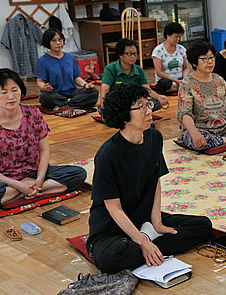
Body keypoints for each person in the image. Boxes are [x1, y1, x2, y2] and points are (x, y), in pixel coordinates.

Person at [88, 82, 212, 273]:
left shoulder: (154, 137)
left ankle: (148, 241)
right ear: (123, 115)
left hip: (144, 219)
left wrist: (157, 222)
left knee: (202, 225)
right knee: (109, 259)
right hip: (112, 227)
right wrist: (141, 241)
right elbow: (114, 208)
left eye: (148, 104)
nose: (148, 111)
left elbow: (155, 180)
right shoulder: (107, 155)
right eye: (140, 106)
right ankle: (148, 244)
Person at [0, 69, 87, 216]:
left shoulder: (32, 113)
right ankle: (33, 191)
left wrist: (39, 178)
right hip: (1, 180)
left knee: (78, 174)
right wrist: (17, 184)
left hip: (33, 173)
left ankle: (24, 192)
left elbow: (44, 150)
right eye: (4, 92)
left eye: (14, 90)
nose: (11, 96)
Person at [35, 28, 99, 110]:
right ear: (48, 42)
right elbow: (40, 81)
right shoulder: (42, 60)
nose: (58, 43)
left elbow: (76, 78)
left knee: (93, 92)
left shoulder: (70, 57)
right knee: (45, 97)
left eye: (60, 40)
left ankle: (64, 104)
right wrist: (44, 87)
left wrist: (86, 85)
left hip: (72, 93)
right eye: (54, 40)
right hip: (54, 94)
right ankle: (72, 103)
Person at [98, 37, 169, 111]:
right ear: (120, 54)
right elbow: (105, 90)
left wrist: (158, 97)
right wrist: (104, 107)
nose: (132, 57)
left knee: (158, 102)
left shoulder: (138, 69)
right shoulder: (110, 69)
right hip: (117, 102)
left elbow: (146, 89)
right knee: (103, 109)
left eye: (135, 54)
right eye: (129, 54)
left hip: (134, 103)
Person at [151, 22, 192, 94]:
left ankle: (180, 86)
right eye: (176, 37)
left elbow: (186, 67)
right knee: (167, 85)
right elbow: (159, 73)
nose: (178, 39)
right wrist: (176, 81)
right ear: (168, 35)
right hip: (166, 80)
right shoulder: (158, 51)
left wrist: (185, 79)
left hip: (180, 79)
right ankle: (181, 87)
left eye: (179, 37)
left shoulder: (181, 49)